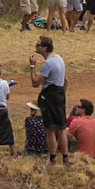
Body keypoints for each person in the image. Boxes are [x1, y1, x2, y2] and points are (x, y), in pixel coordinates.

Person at [29, 35, 69, 165]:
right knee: (61, 128)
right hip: (59, 94)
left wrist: (32, 66)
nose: (36, 46)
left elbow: (35, 83)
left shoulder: (47, 63)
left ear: (45, 48)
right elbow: (66, 80)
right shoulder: (59, 58)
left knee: (50, 129)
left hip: (50, 96)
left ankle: (52, 158)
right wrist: (62, 93)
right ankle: (65, 157)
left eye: (38, 45)